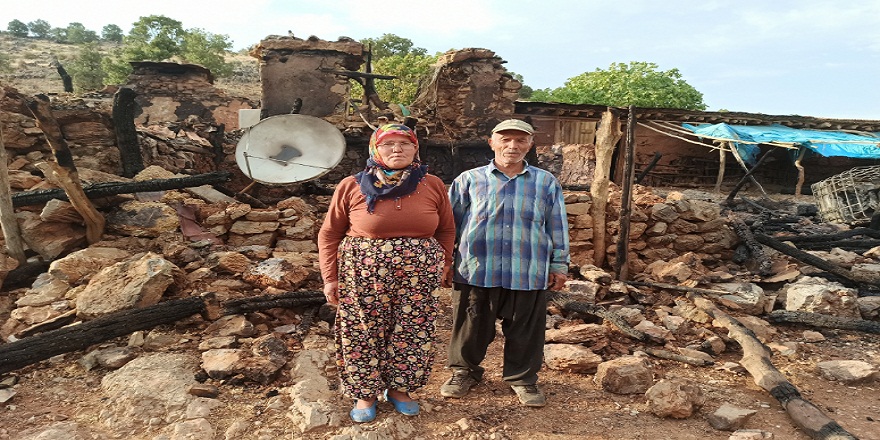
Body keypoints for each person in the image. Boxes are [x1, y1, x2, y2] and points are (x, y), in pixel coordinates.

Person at [318, 123, 455, 423]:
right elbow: (329, 234)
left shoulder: (431, 184)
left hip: (420, 276)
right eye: (389, 144)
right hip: (363, 273)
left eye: (405, 144)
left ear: (415, 148)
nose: (397, 149)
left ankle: (400, 390)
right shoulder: (352, 185)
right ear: (375, 149)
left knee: (412, 329)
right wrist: (330, 278)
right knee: (363, 331)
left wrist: (445, 262)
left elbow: (446, 228)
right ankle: (365, 393)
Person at [440, 119, 570, 407]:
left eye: (520, 141)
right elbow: (450, 226)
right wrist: (446, 261)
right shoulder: (469, 180)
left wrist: (559, 265)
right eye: (505, 139)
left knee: (525, 329)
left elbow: (557, 226)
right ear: (492, 142)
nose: (513, 146)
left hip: (527, 269)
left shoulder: (545, 182)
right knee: (471, 326)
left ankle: (523, 379)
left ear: (530, 145)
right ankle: (464, 372)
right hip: (476, 268)